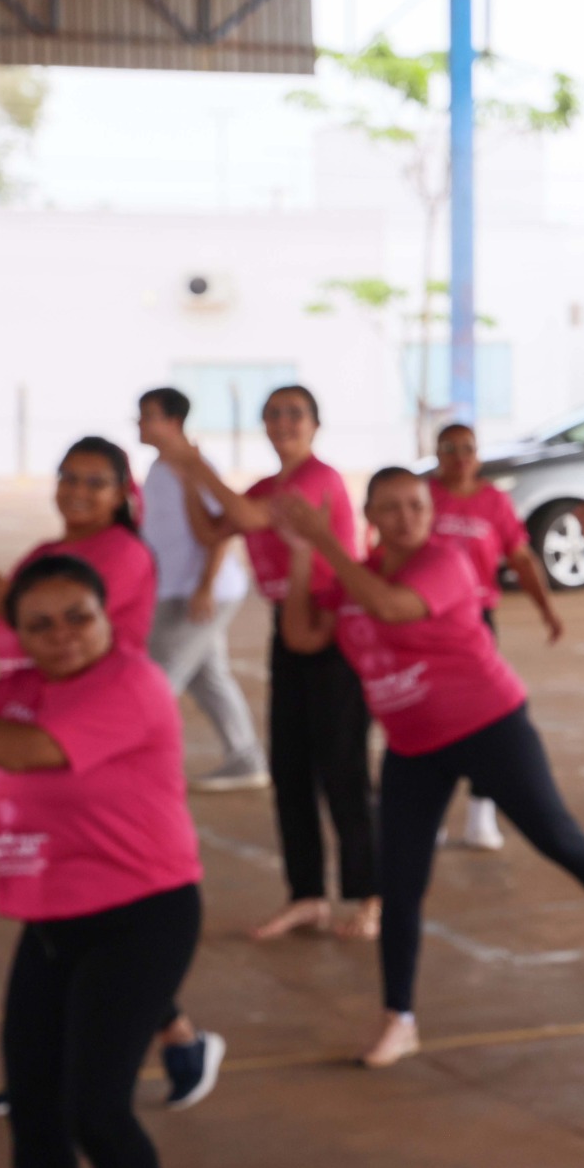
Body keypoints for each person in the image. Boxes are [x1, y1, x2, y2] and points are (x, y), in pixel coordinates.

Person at [274, 468, 584, 1069]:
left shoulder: (443, 562)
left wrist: (325, 542)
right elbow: (302, 637)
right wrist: (304, 555)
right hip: (414, 747)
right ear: (371, 517)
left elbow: (391, 607)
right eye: (391, 507)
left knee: (556, 836)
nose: (406, 517)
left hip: (489, 726)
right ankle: (399, 1018)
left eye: (416, 505)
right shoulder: (356, 575)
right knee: (399, 882)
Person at [0, 556, 204, 1168]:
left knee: (96, 1110)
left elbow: (32, 751)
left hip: (143, 916)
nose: (63, 635)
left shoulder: (131, 683)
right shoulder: (12, 693)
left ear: (110, 617)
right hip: (50, 923)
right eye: (40, 624)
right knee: (36, 1114)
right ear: (15, 634)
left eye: (79, 616)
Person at [147, 385, 380, 942]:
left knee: (342, 769)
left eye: (295, 413)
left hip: (333, 625)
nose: (283, 422)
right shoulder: (263, 486)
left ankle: (372, 896)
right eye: (273, 414)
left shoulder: (317, 478)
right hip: (286, 623)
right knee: (290, 768)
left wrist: (196, 464)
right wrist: (189, 478)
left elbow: (247, 517)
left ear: (316, 424)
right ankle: (307, 896)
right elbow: (212, 530)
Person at [429, 421, 567, 853]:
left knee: (483, 717)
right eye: (449, 448)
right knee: (431, 716)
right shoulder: (424, 497)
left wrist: (546, 609)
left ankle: (480, 814)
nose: (459, 457)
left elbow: (520, 558)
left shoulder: (494, 502)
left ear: (478, 455)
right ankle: (430, 813)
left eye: (467, 448)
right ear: (436, 454)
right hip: (425, 620)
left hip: (475, 622)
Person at [135, 389, 267, 792]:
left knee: (159, 678)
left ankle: (139, 766)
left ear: (173, 421)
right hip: (175, 588)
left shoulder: (196, 466)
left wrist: (205, 586)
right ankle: (246, 758)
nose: (140, 423)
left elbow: (220, 530)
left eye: (148, 416)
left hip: (197, 592)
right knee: (208, 678)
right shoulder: (160, 467)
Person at [0, 436, 158, 676]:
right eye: (69, 478)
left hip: (99, 689)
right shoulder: (44, 553)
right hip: (42, 687)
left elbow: (37, 617)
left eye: (95, 483)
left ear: (119, 493)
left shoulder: (125, 552)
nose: (78, 491)